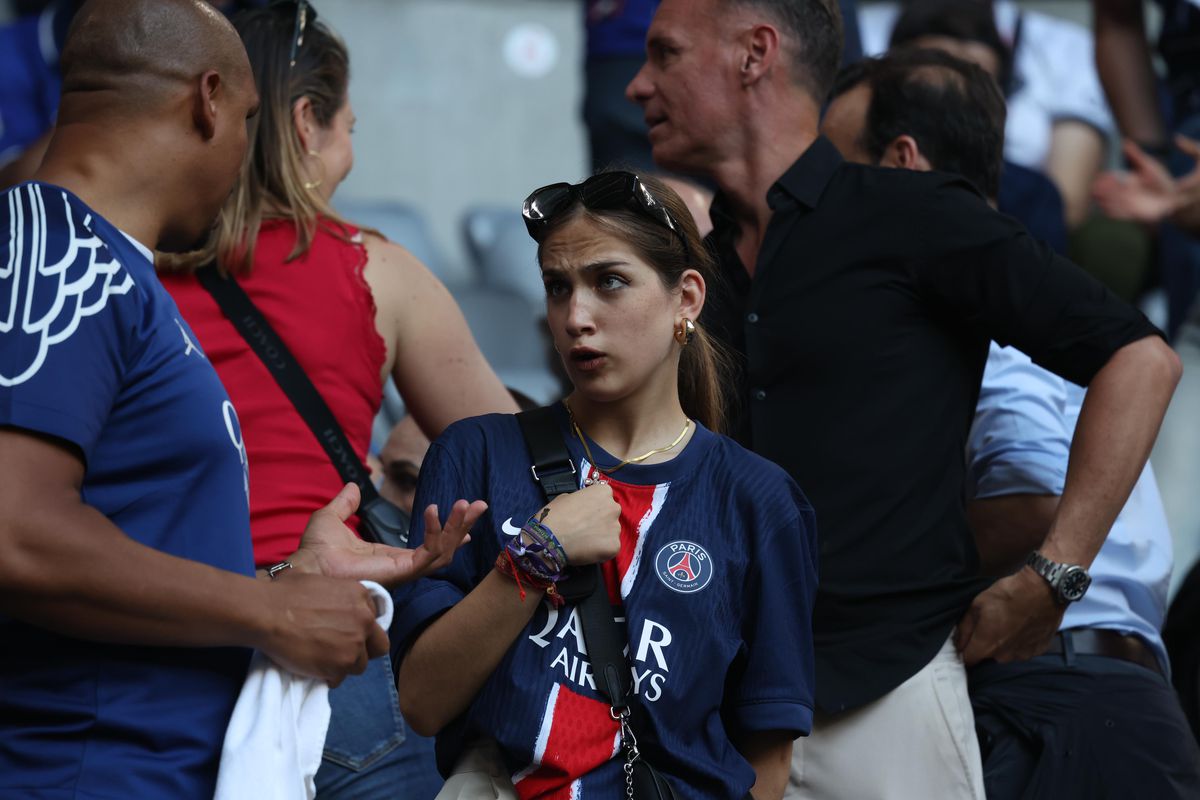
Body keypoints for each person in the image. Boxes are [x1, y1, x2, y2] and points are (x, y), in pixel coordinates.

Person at [626, 1, 1180, 797]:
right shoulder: (696, 281)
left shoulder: (913, 213)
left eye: (666, 54)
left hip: (889, 693)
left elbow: (1141, 359)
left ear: (754, 55)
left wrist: (1055, 575)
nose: (637, 85)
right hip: (725, 707)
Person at [0, 1, 465, 796]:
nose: (251, 154)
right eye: (251, 121)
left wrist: (289, 579)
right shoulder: (52, 248)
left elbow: (125, 536)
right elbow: (15, 532)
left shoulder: (109, 265)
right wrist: (268, 612)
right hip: (82, 770)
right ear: (207, 101)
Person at [157, 3, 518, 798]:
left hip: (162, 649)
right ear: (305, 123)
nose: (351, 155)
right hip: (335, 656)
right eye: (349, 128)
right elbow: (519, 465)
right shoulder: (377, 273)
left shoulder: (123, 269)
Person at [823, 48, 1200, 797]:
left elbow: (1031, 506)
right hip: (1103, 702)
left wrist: (857, 550)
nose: (817, 204)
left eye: (837, 174)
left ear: (901, 164)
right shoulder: (1041, 311)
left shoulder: (979, 326)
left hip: (1056, 704)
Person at [392, 172, 818, 799]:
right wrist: (534, 557)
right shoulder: (476, 454)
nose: (575, 317)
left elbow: (767, 761)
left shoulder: (758, 500)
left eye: (609, 281)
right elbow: (423, 702)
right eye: (557, 287)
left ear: (686, 299)